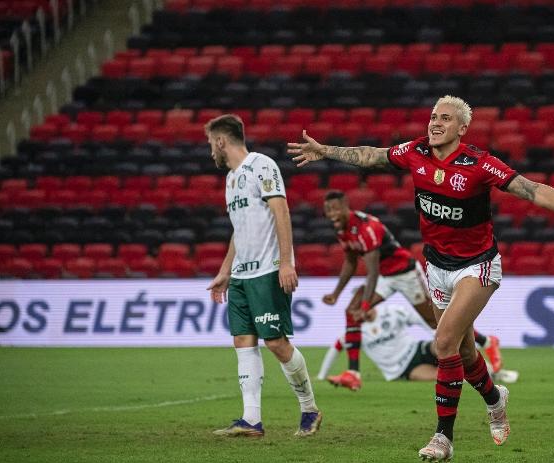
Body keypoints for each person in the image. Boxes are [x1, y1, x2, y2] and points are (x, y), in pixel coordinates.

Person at [288, 95, 554, 461]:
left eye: (446, 118)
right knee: (465, 352)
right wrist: (325, 150)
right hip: (437, 267)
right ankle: (495, 399)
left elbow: (533, 190)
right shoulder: (416, 151)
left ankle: (443, 437)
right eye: (433, 116)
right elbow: (372, 154)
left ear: (462, 128)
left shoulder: (478, 163)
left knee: (444, 341)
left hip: (477, 265)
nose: (435, 123)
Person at [204, 114, 322, 438]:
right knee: (242, 341)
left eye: (210, 143)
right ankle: (251, 420)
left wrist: (286, 263)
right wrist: (225, 271)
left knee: (276, 343)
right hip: (242, 275)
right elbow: (238, 230)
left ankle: (309, 409)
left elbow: (281, 211)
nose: (210, 151)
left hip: (268, 269)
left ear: (221, 141)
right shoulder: (230, 180)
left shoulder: (262, 166)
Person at [321, 190, 503, 391]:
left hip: (405, 273)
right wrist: (336, 293)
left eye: (335, 208)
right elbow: (350, 262)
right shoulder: (342, 229)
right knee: (352, 310)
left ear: (346, 204)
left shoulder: (367, 228)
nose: (331, 214)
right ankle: (353, 374)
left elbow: (371, 271)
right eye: (328, 210)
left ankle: (487, 342)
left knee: (435, 322)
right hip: (385, 276)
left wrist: (366, 305)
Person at [316, 302, 518, 386]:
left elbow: (423, 320)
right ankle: (490, 375)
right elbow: (337, 347)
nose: (360, 313)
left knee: (445, 344)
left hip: (417, 349)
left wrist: (437, 332)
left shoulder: (392, 312)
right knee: (442, 377)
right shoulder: (355, 331)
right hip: (402, 369)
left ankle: (491, 367)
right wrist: (321, 375)